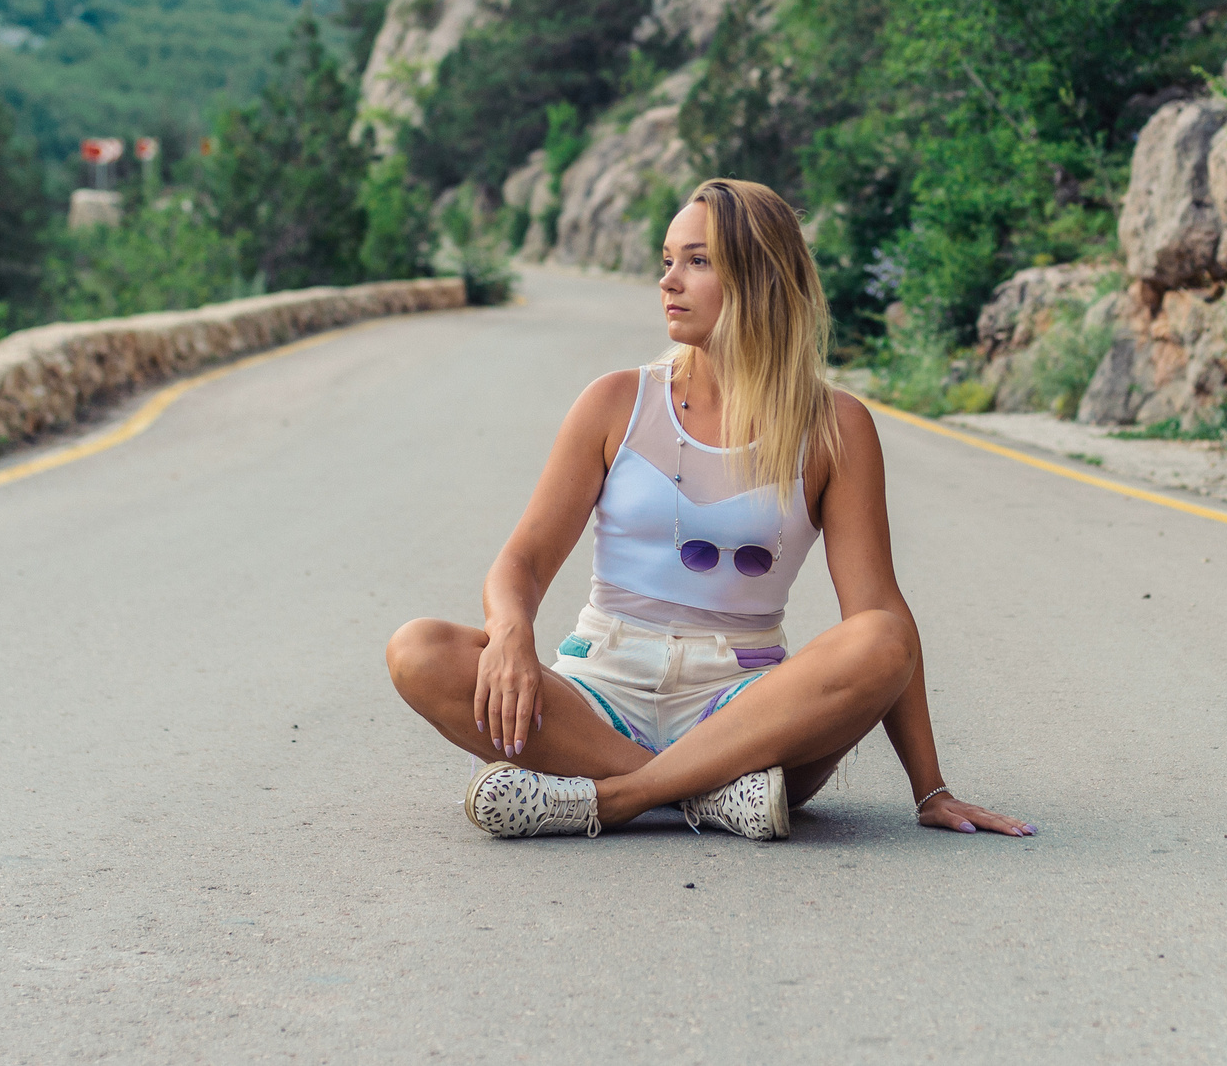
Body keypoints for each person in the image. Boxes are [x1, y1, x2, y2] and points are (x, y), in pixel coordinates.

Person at [385, 177, 1032, 841]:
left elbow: (880, 614)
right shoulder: (615, 402)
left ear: (762, 277)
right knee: (418, 650)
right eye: (666, 260)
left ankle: (611, 800)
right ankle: (710, 795)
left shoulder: (834, 426)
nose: (669, 281)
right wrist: (512, 631)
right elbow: (520, 561)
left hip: (746, 709)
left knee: (881, 638)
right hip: (600, 689)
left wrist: (932, 788)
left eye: (696, 261)